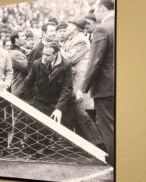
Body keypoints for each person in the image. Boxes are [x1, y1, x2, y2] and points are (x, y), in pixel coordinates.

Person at [15, 42, 75, 159]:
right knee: (30, 118)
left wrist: (58, 108)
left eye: (47, 55)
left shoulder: (66, 65)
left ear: (56, 54)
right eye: (43, 54)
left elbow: (67, 89)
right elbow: (27, 83)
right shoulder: (37, 64)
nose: (44, 57)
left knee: (48, 127)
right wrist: (14, 96)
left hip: (56, 101)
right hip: (40, 99)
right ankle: (33, 150)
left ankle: (46, 146)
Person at [77, 0, 115, 165]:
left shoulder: (102, 29)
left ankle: (116, 169)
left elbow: (95, 62)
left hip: (106, 88)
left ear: (101, 9)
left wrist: (83, 88)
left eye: (96, 11)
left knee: (110, 129)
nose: (95, 15)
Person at [59, 18, 104, 149]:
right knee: (77, 113)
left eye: (70, 25)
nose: (67, 27)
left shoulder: (81, 40)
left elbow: (68, 59)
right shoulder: (70, 39)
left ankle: (97, 144)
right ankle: (86, 145)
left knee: (83, 113)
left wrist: (58, 50)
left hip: (80, 82)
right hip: (73, 81)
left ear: (76, 28)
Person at [9, 30, 28, 148]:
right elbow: (27, 68)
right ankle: (15, 144)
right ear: (16, 39)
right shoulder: (15, 54)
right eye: (23, 36)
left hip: (21, 89)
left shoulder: (18, 52)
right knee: (20, 117)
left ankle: (19, 143)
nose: (25, 38)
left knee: (21, 117)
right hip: (19, 89)